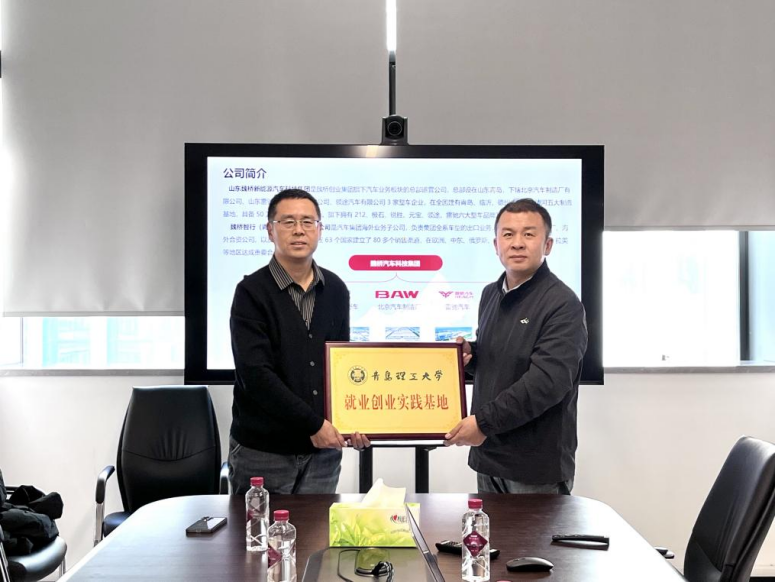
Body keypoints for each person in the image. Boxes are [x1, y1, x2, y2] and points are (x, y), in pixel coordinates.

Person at [228, 189, 370, 495]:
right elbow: (256, 375)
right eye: (288, 221)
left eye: (308, 222)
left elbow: (340, 367)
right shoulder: (251, 292)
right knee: (259, 528)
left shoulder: (336, 289)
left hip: (323, 455)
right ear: (270, 230)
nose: (298, 230)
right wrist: (313, 425)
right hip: (264, 452)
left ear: (320, 229)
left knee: (317, 528)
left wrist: (354, 422)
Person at [445, 198, 588, 494]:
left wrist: (483, 423)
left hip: (534, 468)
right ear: (496, 244)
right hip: (489, 458)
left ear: (548, 245)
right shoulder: (491, 294)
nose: (517, 243)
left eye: (529, 234)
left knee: (533, 530)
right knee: (485, 528)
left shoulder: (562, 303)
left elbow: (547, 382)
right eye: (508, 234)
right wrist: (471, 356)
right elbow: (503, 357)